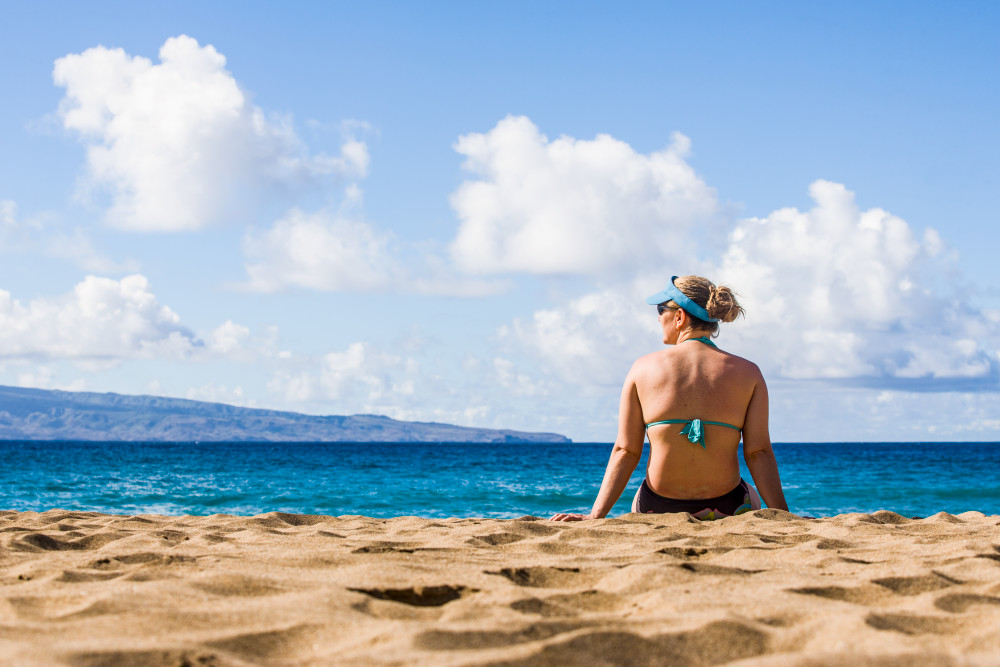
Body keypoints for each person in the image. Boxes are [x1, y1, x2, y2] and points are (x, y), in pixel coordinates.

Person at [550, 275, 788, 521]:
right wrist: (785, 516)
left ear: (680, 317)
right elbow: (758, 452)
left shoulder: (642, 368)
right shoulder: (748, 372)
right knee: (750, 494)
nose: (658, 317)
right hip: (729, 505)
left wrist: (594, 515)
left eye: (661, 309)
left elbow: (625, 450)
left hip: (657, 507)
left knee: (639, 495)